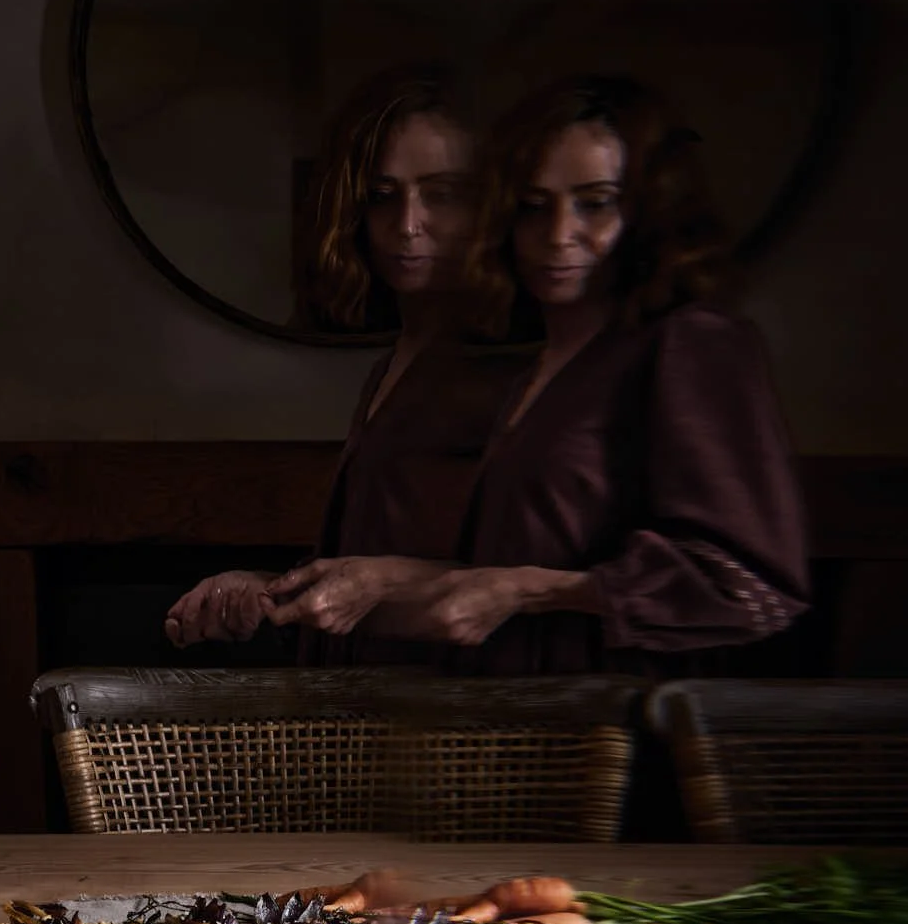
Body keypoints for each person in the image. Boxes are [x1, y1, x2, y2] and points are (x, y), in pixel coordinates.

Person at [259, 75, 810, 677]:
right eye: (532, 206)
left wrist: (531, 589)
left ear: (649, 208)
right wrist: (361, 579)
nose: (557, 235)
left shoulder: (690, 342)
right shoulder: (543, 361)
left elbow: (750, 584)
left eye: (595, 203)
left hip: (615, 726)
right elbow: (497, 571)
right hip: (510, 730)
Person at [164, 63, 524, 664]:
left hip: (463, 716)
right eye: (383, 196)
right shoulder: (393, 362)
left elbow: (528, 578)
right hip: (364, 708)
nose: (407, 226)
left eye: (441, 194)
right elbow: (365, 561)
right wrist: (260, 587)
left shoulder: (510, 365)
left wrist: (379, 584)